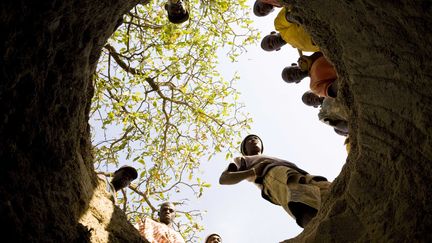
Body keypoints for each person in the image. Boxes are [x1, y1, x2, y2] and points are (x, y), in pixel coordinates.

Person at [219, 134, 331, 228]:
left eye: (256, 138)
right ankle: (322, 231)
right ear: (244, 150)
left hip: (301, 175)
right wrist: (253, 172)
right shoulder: (242, 160)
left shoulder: (272, 157)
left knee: (329, 192)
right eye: (249, 140)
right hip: (274, 176)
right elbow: (224, 178)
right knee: (301, 199)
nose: (253, 140)